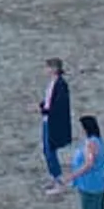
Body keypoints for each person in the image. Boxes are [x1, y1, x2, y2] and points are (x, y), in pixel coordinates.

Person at [36, 60, 75, 193]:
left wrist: (42, 110)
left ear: (53, 68)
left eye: (47, 67)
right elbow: (48, 101)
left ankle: (59, 182)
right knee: (48, 151)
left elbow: (57, 106)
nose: (45, 70)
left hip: (53, 122)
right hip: (48, 120)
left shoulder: (60, 84)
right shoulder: (54, 83)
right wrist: (40, 107)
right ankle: (54, 178)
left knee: (50, 151)